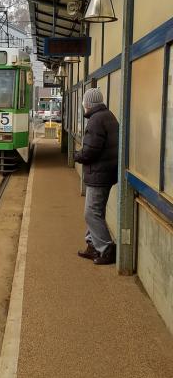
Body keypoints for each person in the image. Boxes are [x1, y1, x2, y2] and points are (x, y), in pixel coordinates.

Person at [74, 88, 119, 265]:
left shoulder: (96, 120)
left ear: (88, 104)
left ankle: (107, 249)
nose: (84, 105)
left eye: (84, 102)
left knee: (91, 213)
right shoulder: (108, 116)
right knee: (95, 212)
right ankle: (93, 245)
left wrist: (77, 155)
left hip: (99, 174)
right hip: (105, 172)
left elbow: (91, 151)